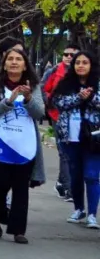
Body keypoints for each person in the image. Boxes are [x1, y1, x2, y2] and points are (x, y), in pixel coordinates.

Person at [0, 47, 45, 244]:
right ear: (4, 63)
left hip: (25, 144)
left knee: (20, 188)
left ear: (25, 64)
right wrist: (8, 101)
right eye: (11, 59)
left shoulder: (32, 85)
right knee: (0, 183)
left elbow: (40, 113)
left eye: (19, 59)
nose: (14, 62)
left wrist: (27, 99)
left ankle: (18, 230)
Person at [53, 50, 100, 228]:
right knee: (76, 174)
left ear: (91, 65)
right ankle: (79, 208)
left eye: (84, 62)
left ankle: (93, 214)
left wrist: (91, 97)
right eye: (77, 62)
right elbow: (58, 103)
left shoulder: (97, 84)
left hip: (94, 138)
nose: (80, 65)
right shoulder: (66, 84)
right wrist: (78, 97)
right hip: (70, 137)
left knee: (91, 176)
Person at [44, 43, 80, 201]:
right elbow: (42, 88)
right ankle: (69, 189)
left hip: (79, 119)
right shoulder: (54, 71)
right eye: (66, 54)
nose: (69, 57)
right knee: (64, 153)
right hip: (57, 117)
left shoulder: (83, 73)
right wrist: (50, 103)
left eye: (73, 55)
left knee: (73, 153)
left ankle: (61, 182)